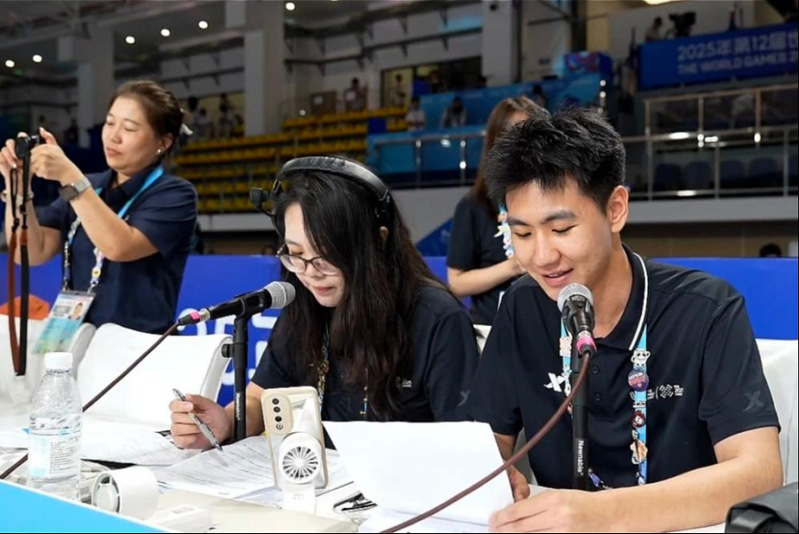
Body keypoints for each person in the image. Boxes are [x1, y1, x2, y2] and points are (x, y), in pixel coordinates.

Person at [467, 109, 782, 532]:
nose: (541, 256)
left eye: (562, 229)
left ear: (615, 209)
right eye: (522, 234)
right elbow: (486, 438)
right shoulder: (523, 306)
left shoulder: (706, 309)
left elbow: (759, 473)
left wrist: (603, 514)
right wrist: (491, 470)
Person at [169, 157, 479, 449]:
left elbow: (465, 445)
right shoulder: (304, 304)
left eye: (327, 254)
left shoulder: (438, 319)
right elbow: (257, 399)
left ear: (378, 242)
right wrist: (224, 422)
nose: (310, 272)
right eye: (296, 253)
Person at [1, 80, 198, 334]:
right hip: (72, 338)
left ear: (164, 141)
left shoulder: (175, 194)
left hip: (136, 346)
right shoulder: (89, 186)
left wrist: (70, 176)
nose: (113, 136)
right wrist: (18, 189)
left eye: (129, 128)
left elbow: (119, 246)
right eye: (110, 123)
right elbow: (31, 253)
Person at [447, 97, 548, 325]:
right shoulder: (474, 205)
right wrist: (512, 267)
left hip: (547, 324)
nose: (520, 145)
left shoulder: (554, 201)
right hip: (492, 328)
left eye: (529, 134)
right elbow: (457, 283)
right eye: (510, 134)